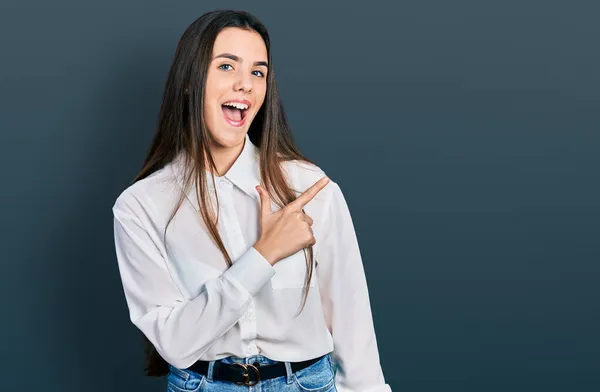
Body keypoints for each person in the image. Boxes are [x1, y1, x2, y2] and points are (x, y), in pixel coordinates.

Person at [112, 9, 391, 392]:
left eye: (258, 72)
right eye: (227, 66)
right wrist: (265, 254)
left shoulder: (308, 188)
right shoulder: (141, 206)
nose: (245, 84)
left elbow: (353, 325)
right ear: (191, 80)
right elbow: (174, 343)